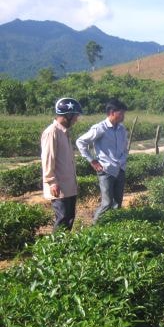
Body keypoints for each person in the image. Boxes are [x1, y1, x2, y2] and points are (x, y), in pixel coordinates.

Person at [76, 98, 128, 223]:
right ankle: (94, 226)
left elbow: (125, 147)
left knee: (117, 203)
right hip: (106, 170)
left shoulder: (122, 129)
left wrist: (124, 159)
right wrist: (92, 160)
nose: (123, 116)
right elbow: (80, 141)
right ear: (111, 112)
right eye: (121, 113)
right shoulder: (100, 128)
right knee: (107, 203)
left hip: (120, 169)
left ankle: (114, 226)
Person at [41, 97, 82, 231]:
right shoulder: (52, 132)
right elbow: (48, 159)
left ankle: (64, 248)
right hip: (59, 187)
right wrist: (52, 181)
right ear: (68, 115)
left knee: (69, 218)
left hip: (68, 185)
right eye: (75, 116)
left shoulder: (64, 132)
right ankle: (56, 249)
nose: (76, 119)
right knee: (62, 218)